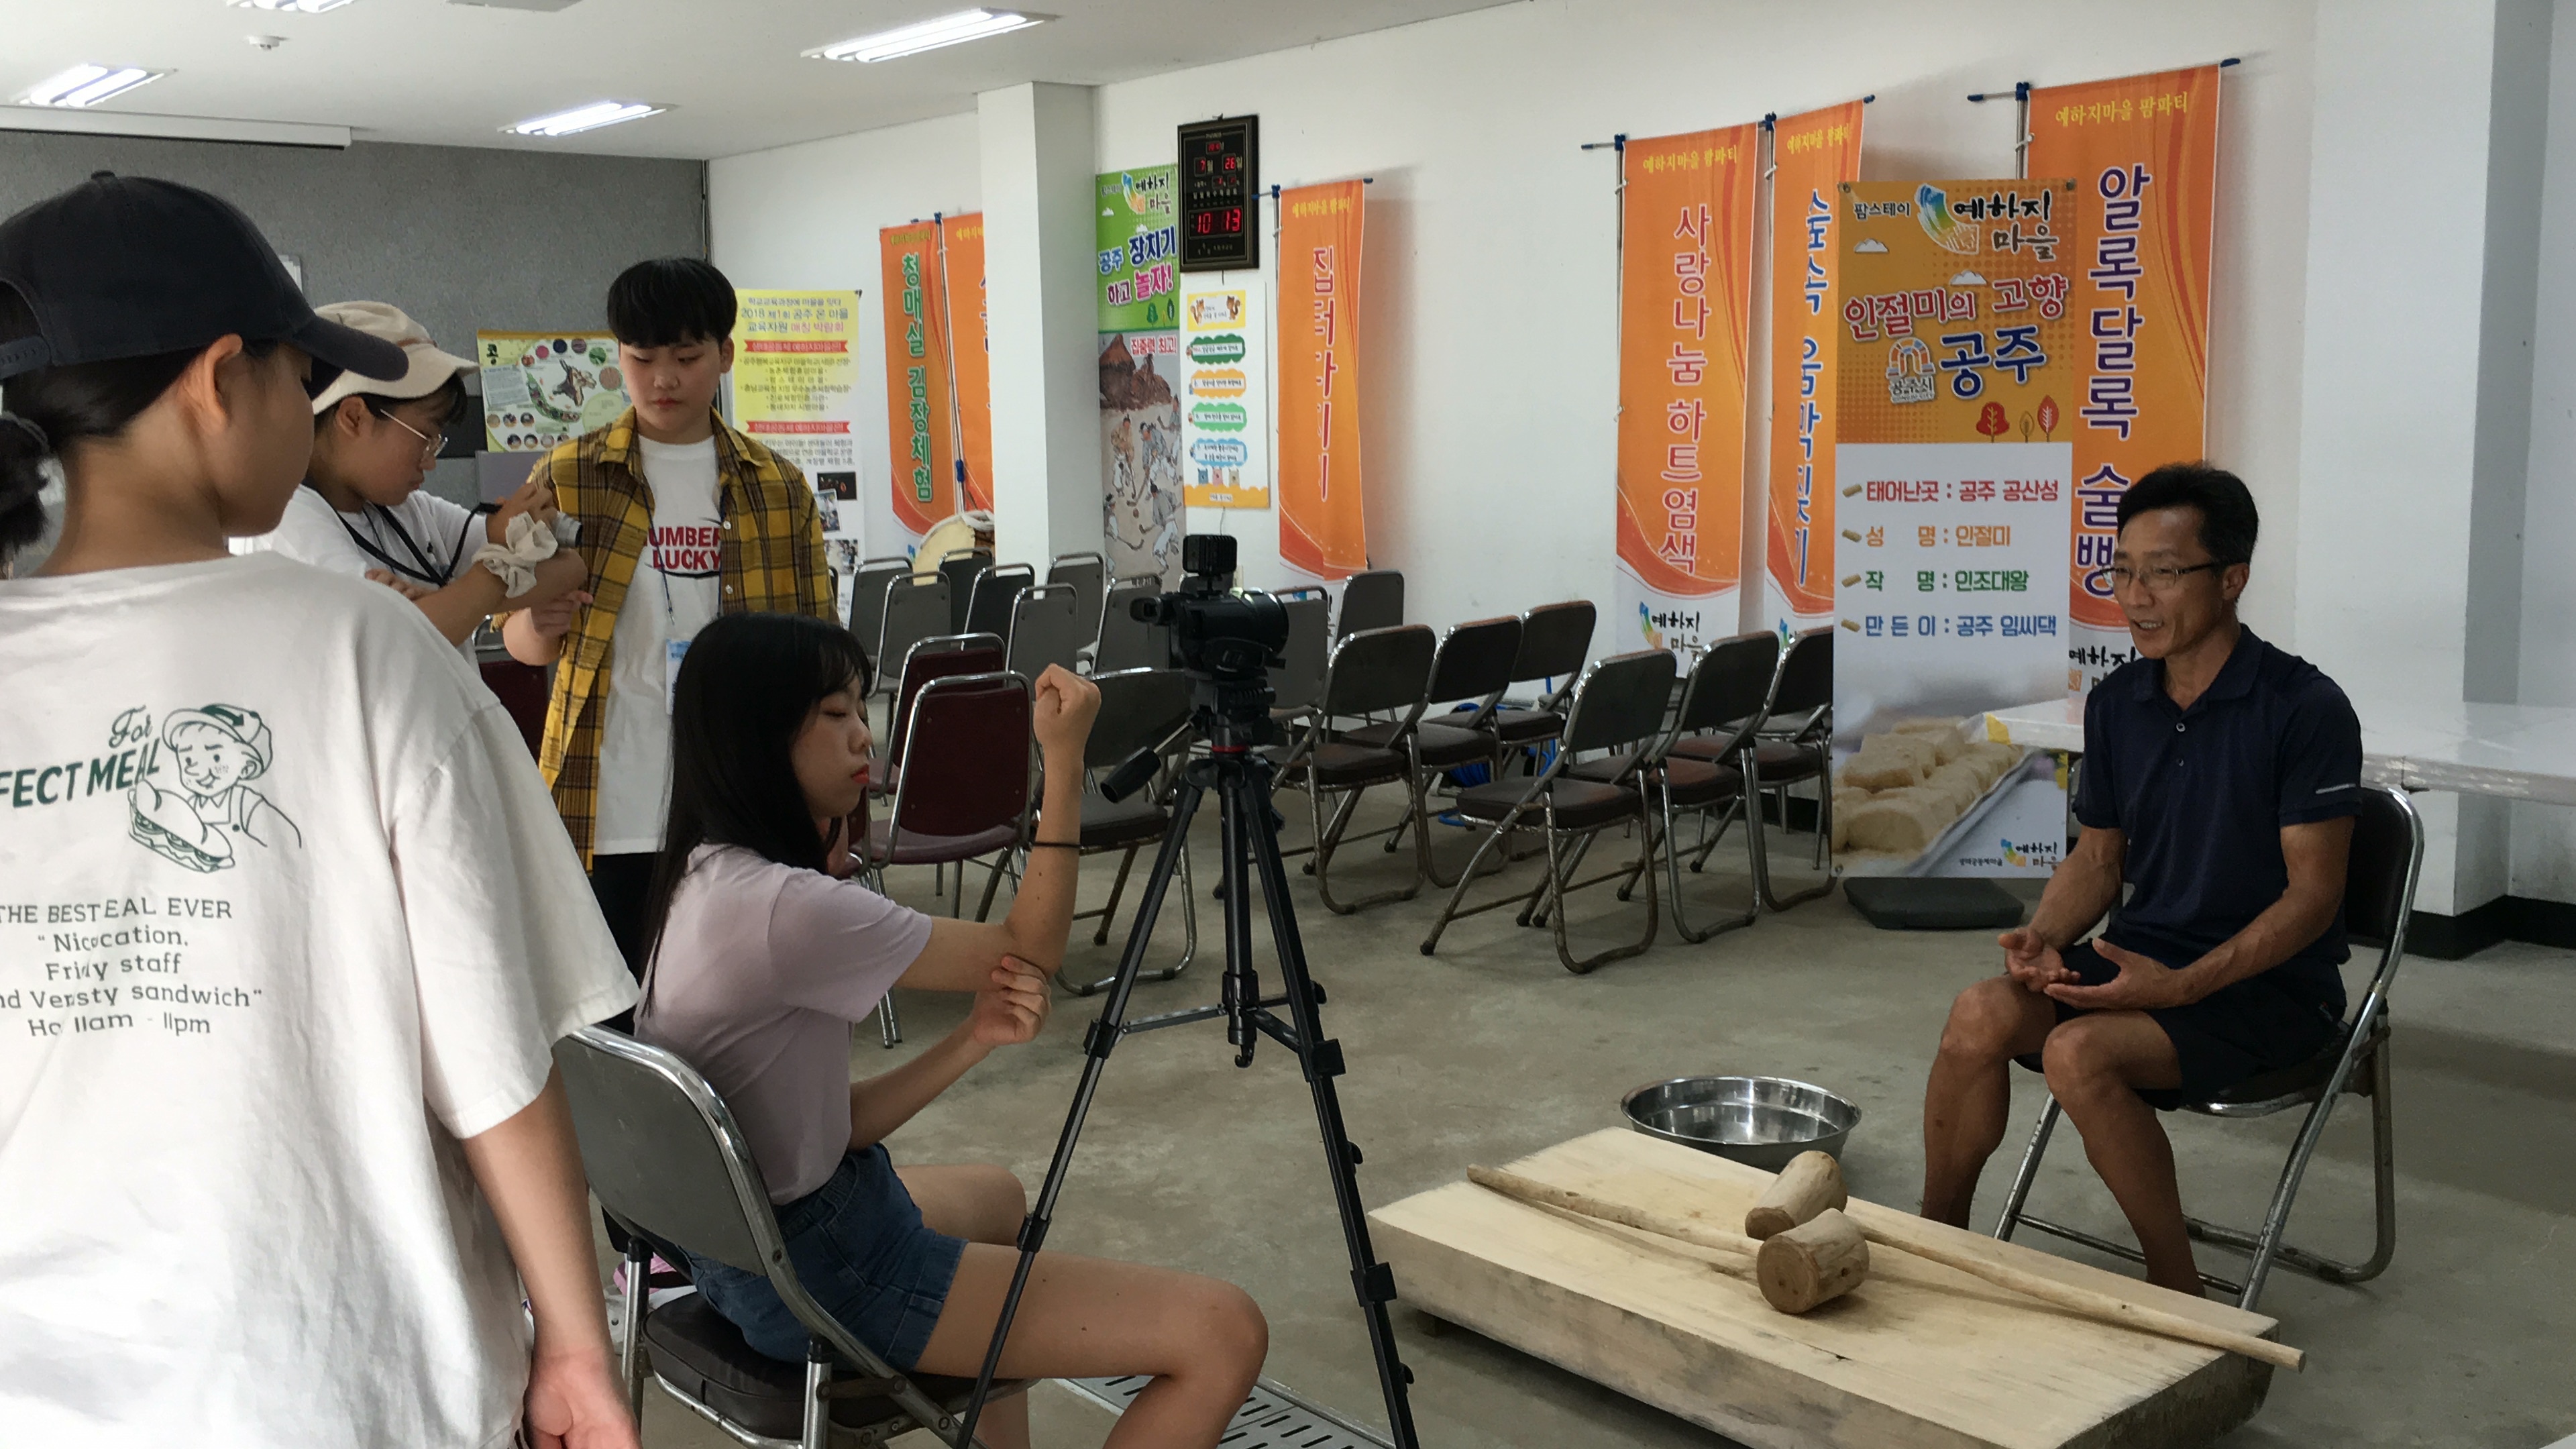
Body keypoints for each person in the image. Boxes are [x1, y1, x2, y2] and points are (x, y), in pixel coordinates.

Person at [0, 174, 640, 1448]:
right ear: (218, 379)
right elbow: (494, 1065)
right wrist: (574, 1342)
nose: (308, 414)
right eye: (302, 380)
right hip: (336, 1375)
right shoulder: (365, 654)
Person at [635, 612, 1267, 1449]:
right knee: (1224, 1332)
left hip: (741, 1252)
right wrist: (1064, 760)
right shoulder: (789, 909)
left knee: (997, 1197)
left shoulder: (702, 873)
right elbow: (1030, 949)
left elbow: (832, 1129)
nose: (865, 735)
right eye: (835, 714)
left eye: (861, 708)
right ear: (757, 739)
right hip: (825, 1269)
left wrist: (973, 1037)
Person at [1919, 463, 2362, 1296]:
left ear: (2231, 579)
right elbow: (2098, 858)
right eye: (2121, 571)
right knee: (1979, 1012)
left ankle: (2179, 1292)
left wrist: (2184, 985)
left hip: (2268, 990)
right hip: (2141, 962)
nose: (2135, 598)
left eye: (2163, 572)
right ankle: (1932, 1244)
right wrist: (2045, 937)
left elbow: (2314, 899)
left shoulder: (2304, 708)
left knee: (2077, 1052)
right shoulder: (2120, 702)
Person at [500, 258, 835, 982]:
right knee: (615, 1006)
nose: (662, 380)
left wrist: (827, 805)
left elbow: (820, 660)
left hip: (741, 794)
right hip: (609, 798)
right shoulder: (569, 476)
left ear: (725, 354)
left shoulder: (777, 487)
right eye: (641, 359)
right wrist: (541, 622)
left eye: (686, 358)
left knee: (737, 1000)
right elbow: (521, 644)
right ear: (617, 356)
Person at [240, 301, 586, 661]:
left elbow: (568, 568)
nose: (431, 461)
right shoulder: (286, 521)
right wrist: (494, 572)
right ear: (355, 418)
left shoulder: (407, 510)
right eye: (426, 437)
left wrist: (444, 603)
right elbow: (396, 637)